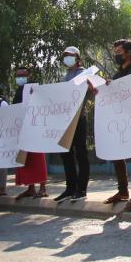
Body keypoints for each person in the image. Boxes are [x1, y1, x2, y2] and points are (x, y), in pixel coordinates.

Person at [102, 39, 131, 207]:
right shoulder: (117, 75)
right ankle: (123, 191)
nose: (116, 55)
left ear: (128, 53)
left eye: (119, 52)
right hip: (121, 121)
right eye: (115, 53)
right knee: (117, 154)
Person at [55, 46, 91, 203]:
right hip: (64, 121)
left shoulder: (85, 73)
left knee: (81, 154)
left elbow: (93, 91)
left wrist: (91, 86)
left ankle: (81, 189)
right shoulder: (65, 76)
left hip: (78, 119)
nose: (67, 58)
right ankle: (70, 188)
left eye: (70, 56)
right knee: (66, 155)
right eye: (65, 56)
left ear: (77, 58)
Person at [13, 67, 48, 199]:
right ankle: (31, 187)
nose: (20, 78)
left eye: (23, 75)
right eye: (18, 75)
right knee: (27, 160)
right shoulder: (18, 91)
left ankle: (43, 187)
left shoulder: (35, 89)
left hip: (35, 128)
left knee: (38, 158)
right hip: (23, 129)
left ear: (28, 76)